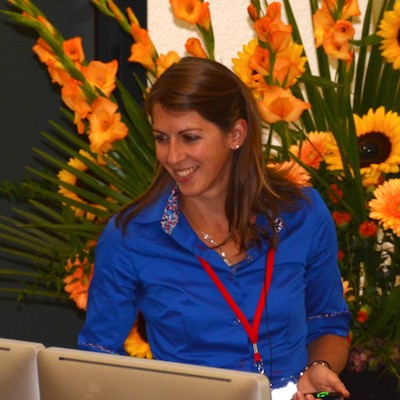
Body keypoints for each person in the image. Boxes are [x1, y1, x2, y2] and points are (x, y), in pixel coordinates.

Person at [78, 57, 351, 400]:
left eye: (189, 137)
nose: (172, 156)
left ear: (235, 134)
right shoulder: (130, 236)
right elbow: (99, 359)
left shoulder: (303, 213)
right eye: (162, 138)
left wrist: (319, 367)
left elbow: (328, 322)